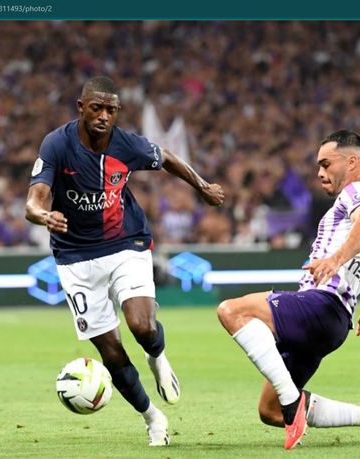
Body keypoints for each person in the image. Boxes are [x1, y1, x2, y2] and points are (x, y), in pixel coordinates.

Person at [25, 76, 224, 446]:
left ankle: (157, 355)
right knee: (111, 350)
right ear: (80, 107)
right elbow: (35, 197)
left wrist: (202, 186)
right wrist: (42, 215)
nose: (103, 116)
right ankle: (153, 418)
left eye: (111, 110)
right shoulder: (57, 144)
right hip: (75, 258)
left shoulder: (126, 144)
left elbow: (166, 157)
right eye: (96, 107)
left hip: (125, 243)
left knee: (142, 326)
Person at [217, 130, 360, 449]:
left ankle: (291, 401)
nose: (320, 173)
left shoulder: (357, 192)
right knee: (270, 411)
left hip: (320, 305)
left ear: (352, 162)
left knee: (231, 310)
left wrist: (336, 259)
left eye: (326, 164)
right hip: (333, 324)